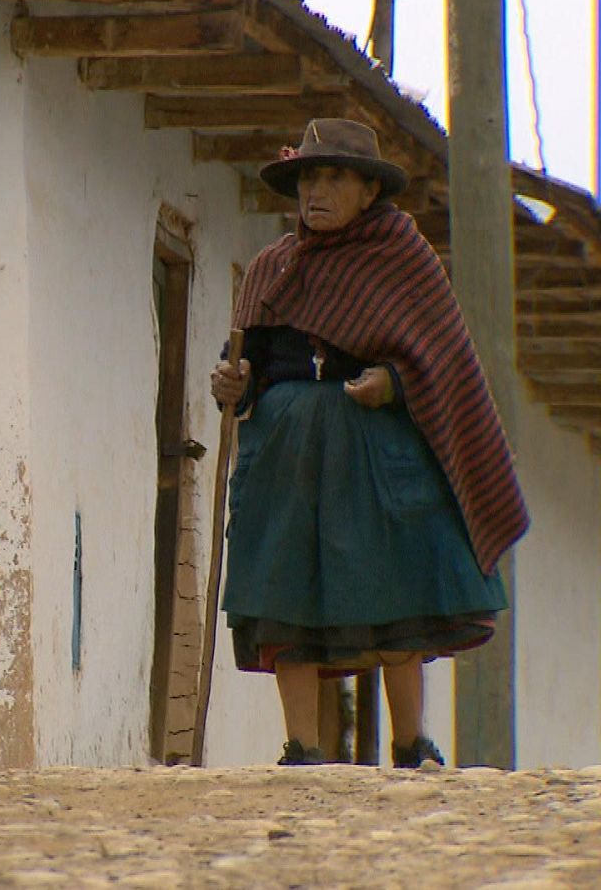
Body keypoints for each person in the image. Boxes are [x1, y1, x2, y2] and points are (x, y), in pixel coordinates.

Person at [209, 118, 529, 767]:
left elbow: (442, 362)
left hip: (376, 454)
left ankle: (411, 743)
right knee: (284, 588)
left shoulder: (404, 260)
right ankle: (302, 747)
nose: (316, 191)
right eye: (308, 177)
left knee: (396, 589)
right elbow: (251, 361)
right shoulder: (274, 267)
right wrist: (235, 384)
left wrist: (395, 382)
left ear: (367, 192)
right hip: (285, 457)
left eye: (333, 177)